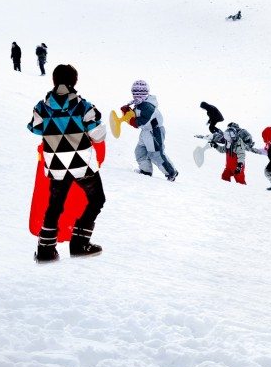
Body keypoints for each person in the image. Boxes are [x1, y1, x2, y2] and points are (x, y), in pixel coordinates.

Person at [27, 64, 107, 262]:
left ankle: (46, 250)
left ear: (54, 81)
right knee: (97, 199)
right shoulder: (83, 106)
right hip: (82, 164)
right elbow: (97, 135)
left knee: (55, 205)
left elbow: (36, 129)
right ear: (74, 81)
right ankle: (79, 243)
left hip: (56, 165)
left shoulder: (41, 107)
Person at [123, 80, 178, 181]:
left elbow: (142, 121)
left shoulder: (148, 106)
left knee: (155, 154)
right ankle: (145, 171)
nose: (136, 95)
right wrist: (127, 111)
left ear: (145, 93)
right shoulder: (140, 103)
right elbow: (136, 115)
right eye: (134, 93)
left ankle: (171, 172)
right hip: (145, 132)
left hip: (154, 131)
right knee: (140, 151)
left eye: (139, 93)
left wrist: (131, 121)